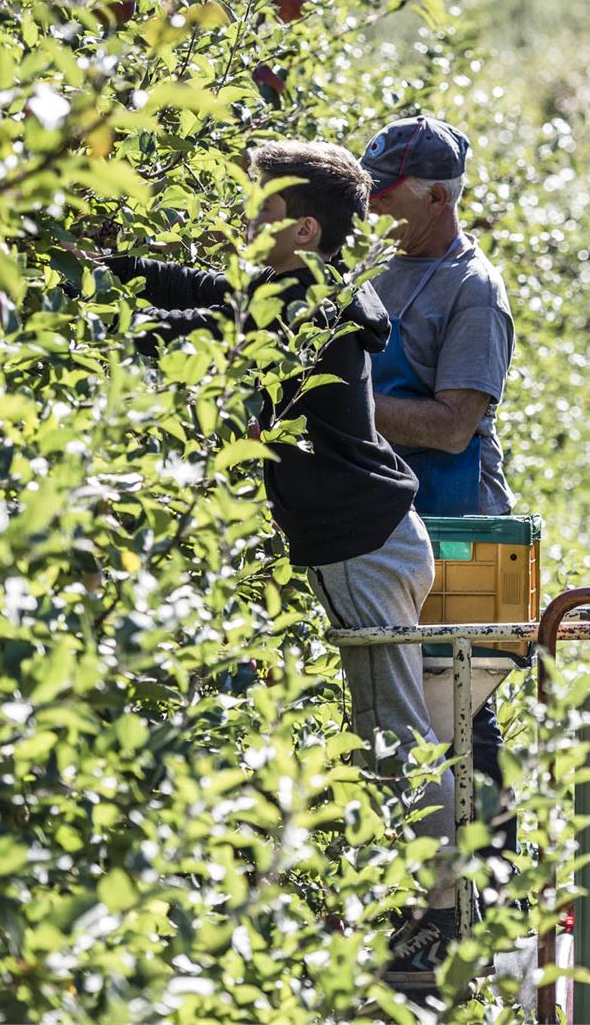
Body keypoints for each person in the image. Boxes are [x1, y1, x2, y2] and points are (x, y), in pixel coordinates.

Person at [102, 141, 459, 987]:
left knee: (395, 739)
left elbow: (211, 330)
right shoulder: (304, 288)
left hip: (365, 548)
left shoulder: (305, 307)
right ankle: (423, 909)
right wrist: (104, 270)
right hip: (374, 538)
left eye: (259, 210)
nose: (243, 223)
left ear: (302, 228)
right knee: (392, 731)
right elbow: (209, 294)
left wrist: (102, 322)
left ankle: (437, 921)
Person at [356, 116, 516, 817]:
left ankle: (490, 893)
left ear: (436, 199)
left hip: (462, 534)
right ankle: (428, 899)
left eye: (386, 193)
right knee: (397, 713)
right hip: (390, 525)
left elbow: (454, 428)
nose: (372, 206)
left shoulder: (472, 291)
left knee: (457, 719)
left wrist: (339, 405)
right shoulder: (371, 269)